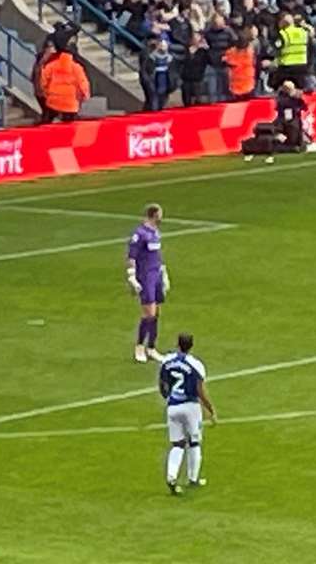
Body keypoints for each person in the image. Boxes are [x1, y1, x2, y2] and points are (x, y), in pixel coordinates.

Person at [158, 332, 216, 496]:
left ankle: (171, 477)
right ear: (191, 346)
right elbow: (200, 390)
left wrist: (167, 398)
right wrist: (210, 409)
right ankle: (193, 478)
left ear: (178, 344)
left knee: (177, 444)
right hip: (190, 407)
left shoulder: (167, 361)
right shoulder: (196, 364)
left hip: (173, 407)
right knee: (194, 442)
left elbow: (162, 383)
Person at [126, 203, 170, 364]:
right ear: (154, 215)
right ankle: (139, 346)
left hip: (156, 274)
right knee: (149, 313)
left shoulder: (156, 232)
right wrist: (131, 276)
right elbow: (132, 256)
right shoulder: (140, 234)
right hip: (145, 276)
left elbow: (157, 254)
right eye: (160, 214)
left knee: (157, 312)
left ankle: (151, 348)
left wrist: (164, 272)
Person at [39, 44, 91, 122]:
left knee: (47, 122)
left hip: (53, 101)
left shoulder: (51, 66)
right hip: (70, 103)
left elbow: (43, 82)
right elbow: (83, 85)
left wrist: (47, 93)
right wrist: (85, 96)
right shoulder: (77, 68)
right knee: (69, 127)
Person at [273, 12, 312, 89]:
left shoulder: (283, 33)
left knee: (283, 90)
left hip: (286, 67)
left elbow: (277, 48)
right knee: (299, 90)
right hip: (302, 65)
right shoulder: (303, 32)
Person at [140, 36, 173, 111]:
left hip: (164, 81)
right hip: (152, 80)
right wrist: (147, 80)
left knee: (161, 101)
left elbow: (171, 69)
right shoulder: (147, 53)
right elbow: (145, 68)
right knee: (153, 101)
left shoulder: (168, 54)